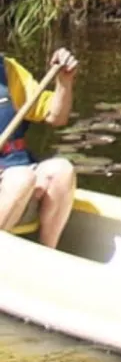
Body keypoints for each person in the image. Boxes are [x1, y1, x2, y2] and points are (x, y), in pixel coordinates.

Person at [0, 48, 81, 247]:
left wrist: (64, 82)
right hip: (15, 179)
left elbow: (56, 117)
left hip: (14, 172)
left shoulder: (8, 71)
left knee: (62, 171)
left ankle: (47, 254)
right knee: (21, 179)